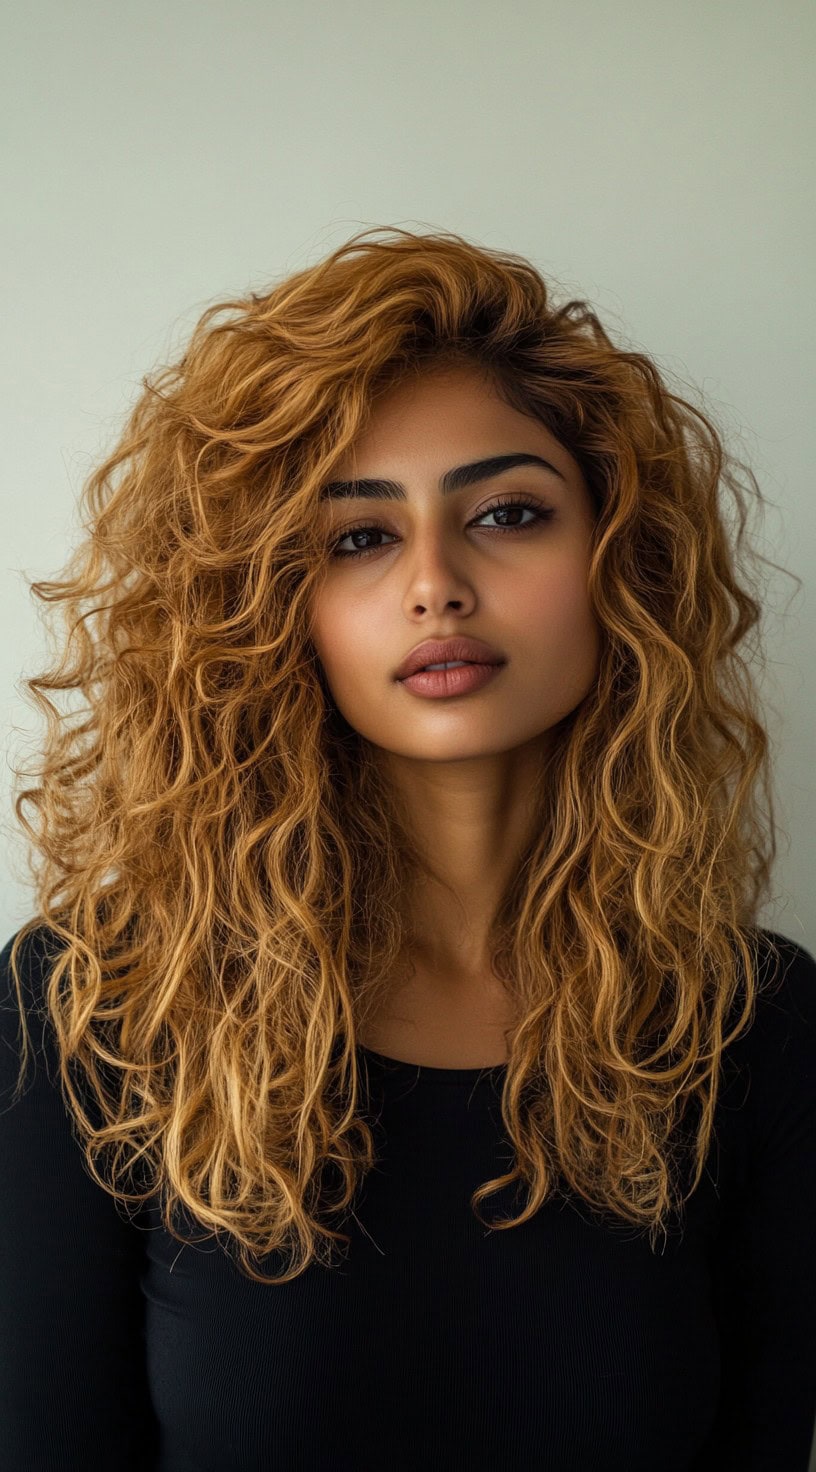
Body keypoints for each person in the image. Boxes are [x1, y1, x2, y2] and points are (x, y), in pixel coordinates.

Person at [1, 224, 814, 1471]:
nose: (436, 582)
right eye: (360, 537)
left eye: (507, 512)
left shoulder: (752, 1023)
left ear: (620, 564)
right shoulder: (94, 1006)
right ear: (272, 602)